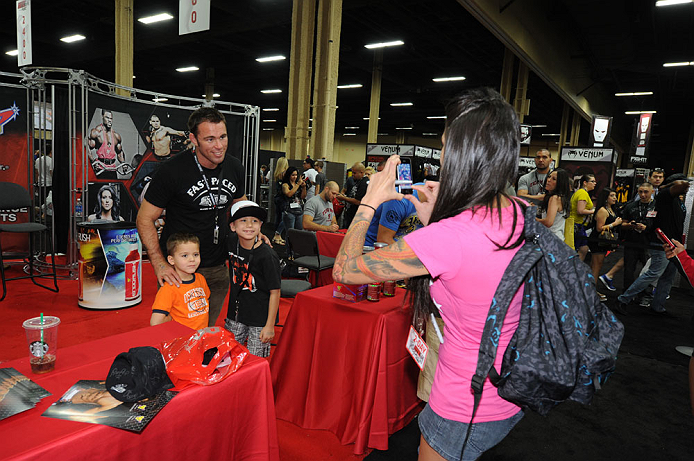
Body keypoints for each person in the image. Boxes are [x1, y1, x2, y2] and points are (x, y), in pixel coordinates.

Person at [333, 88, 526, 460]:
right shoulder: (515, 212)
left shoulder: (450, 237)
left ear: (461, 154)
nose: (441, 156)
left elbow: (343, 270)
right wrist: (439, 219)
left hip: (462, 401)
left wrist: (370, 200)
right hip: (508, 390)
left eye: (444, 147)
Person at [137, 106, 263, 328]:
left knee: (204, 331)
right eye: (210, 139)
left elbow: (240, 208)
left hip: (217, 268)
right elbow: (145, 218)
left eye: (223, 137)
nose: (219, 146)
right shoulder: (172, 171)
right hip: (180, 270)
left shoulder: (234, 166)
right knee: (173, 335)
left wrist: (254, 233)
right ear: (194, 139)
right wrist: (158, 264)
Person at [615, 173, 690, 315]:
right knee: (653, 273)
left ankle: (658, 306)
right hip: (662, 244)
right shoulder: (664, 196)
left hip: (673, 244)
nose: (686, 188)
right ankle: (622, 300)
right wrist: (672, 184)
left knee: (667, 277)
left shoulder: (678, 201)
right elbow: (682, 185)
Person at [225, 201, 281, 358]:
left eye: (254, 221)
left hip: (260, 318)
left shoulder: (268, 256)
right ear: (232, 226)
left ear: (260, 226)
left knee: (255, 360)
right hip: (235, 314)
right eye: (243, 220)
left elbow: (275, 292)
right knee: (228, 356)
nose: (249, 225)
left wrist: (270, 325)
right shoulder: (231, 242)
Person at [600, 182, 654, 293]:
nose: (643, 195)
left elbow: (660, 225)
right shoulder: (631, 206)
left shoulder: (656, 206)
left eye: (646, 192)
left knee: (649, 270)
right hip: (632, 241)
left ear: (652, 192)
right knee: (629, 269)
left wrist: (647, 228)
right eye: (640, 192)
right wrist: (630, 225)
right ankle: (627, 293)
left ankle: (646, 293)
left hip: (649, 242)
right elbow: (623, 225)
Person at [150, 233, 210, 330]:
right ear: (171, 260)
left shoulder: (200, 278)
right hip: (182, 339)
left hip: (201, 336)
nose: (192, 259)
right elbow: (155, 322)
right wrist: (173, 319)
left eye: (195, 254)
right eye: (185, 255)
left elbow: (206, 300)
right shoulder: (168, 288)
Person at [588, 188, 623, 302]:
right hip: (597, 241)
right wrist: (615, 224)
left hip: (602, 242)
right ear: (606, 198)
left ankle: (591, 290)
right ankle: (591, 292)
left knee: (597, 265)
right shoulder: (603, 210)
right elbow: (599, 228)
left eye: (615, 195)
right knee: (596, 267)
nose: (614, 198)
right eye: (612, 195)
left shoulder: (610, 209)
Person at [88, 109, 126, 179]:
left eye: (111, 118)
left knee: (113, 189)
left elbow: (119, 152)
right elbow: (87, 148)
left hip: (112, 169)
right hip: (100, 168)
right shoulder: (97, 132)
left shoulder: (116, 136)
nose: (109, 120)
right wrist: (93, 161)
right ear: (102, 117)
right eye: (107, 118)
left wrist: (123, 163)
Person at [536, 168, 570, 242]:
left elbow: (549, 222)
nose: (549, 180)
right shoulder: (560, 198)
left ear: (560, 183)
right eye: (549, 177)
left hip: (550, 239)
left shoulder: (555, 198)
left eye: (554, 179)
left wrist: (535, 220)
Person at [569, 174, 597, 261]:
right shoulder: (582, 193)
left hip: (578, 225)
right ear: (585, 183)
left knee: (584, 248)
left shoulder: (581, 192)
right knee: (577, 249)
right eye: (592, 181)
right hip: (577, 225)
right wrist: (594, 211)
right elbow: (580, 211)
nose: (595, 183)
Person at [337, 162, 368, 228]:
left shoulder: (364, 183)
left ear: (362, 172)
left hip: (356, 216)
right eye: (352, 172)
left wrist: (344, 198)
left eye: (354, 173)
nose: (353, 175)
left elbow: (358, 201)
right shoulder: (357, 181)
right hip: (350, 213)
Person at [281, 166, 307, 231]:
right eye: (293, 175)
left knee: (299, 231)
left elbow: (302, 197)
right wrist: (298, 184)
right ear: (289, 175)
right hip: (289, 211)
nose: (295, 177)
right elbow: (289, 194)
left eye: (296, 175)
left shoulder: (297, 184)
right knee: (290, 232)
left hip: (299, 210)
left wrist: (304, 187)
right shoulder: (285, 185)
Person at [272, 157, 289, 245]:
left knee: (278, 217)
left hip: (277, 198)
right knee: (285, 217)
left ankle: (277, 236)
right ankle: (277, 234)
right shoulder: (285, 174)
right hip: (283, 199)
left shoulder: (277, 173)